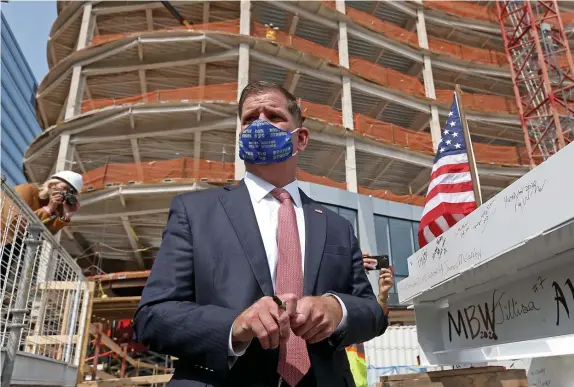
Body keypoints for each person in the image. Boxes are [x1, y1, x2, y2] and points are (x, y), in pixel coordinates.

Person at [134, 81, 388, 387]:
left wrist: (338, 309)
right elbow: (152, 316)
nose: (260, 124)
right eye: (250, 118)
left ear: (301, 138)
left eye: (274, 116)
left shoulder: (336, 226)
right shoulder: (195, 212)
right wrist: (235, 326)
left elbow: (373, 311)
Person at [1, 171, 82, 289]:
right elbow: (15, 223)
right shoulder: (27, 190)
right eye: (65, 188)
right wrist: (48, 209)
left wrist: (65, 216)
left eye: (71, 193)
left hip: (10, 251)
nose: (66, 193)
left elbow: (45, 234)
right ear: (51, 185)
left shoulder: (53, 207)